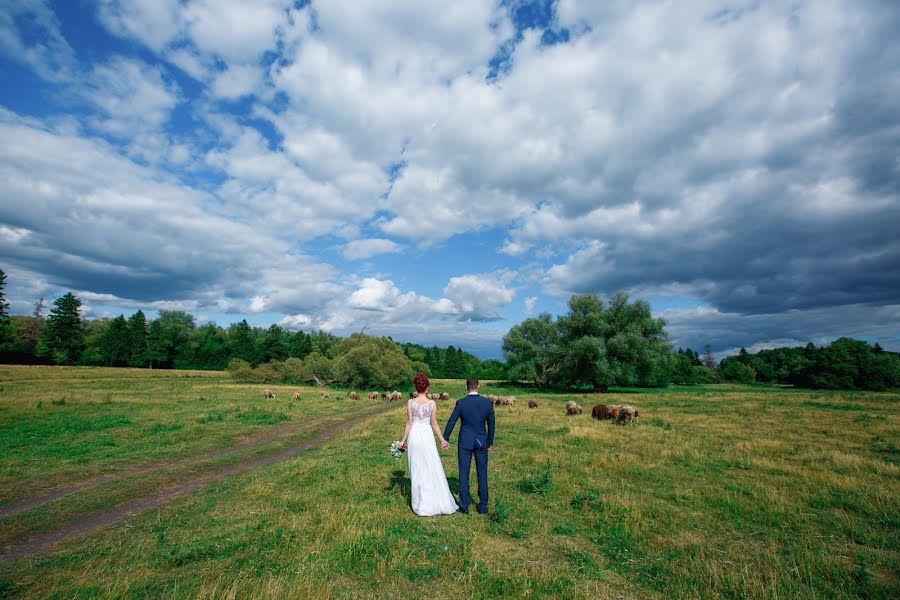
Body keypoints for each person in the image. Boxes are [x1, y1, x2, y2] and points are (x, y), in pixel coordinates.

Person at [398, 373, 458, 516]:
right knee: (431, 466)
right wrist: (442, 440)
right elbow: (435, 424)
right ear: (427, 387)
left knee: (417, 467)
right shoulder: (432, 403)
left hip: (414, 436)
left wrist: (402, 441)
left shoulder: (410, 403)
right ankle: (434, 499)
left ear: (415, 387)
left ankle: (420, 503)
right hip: (427, 435)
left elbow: (409, 423)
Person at [443, 377, 495, 514]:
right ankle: (483, 506)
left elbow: (451, 421)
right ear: (478, 386)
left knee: (463, 473)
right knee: (482, 474)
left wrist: (446, 438)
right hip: (481, 442)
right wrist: (489, 442)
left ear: (466, 387)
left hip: (465, 442)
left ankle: (464, 505)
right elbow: (492, 425)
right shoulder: (487, 403)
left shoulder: (461, 403)